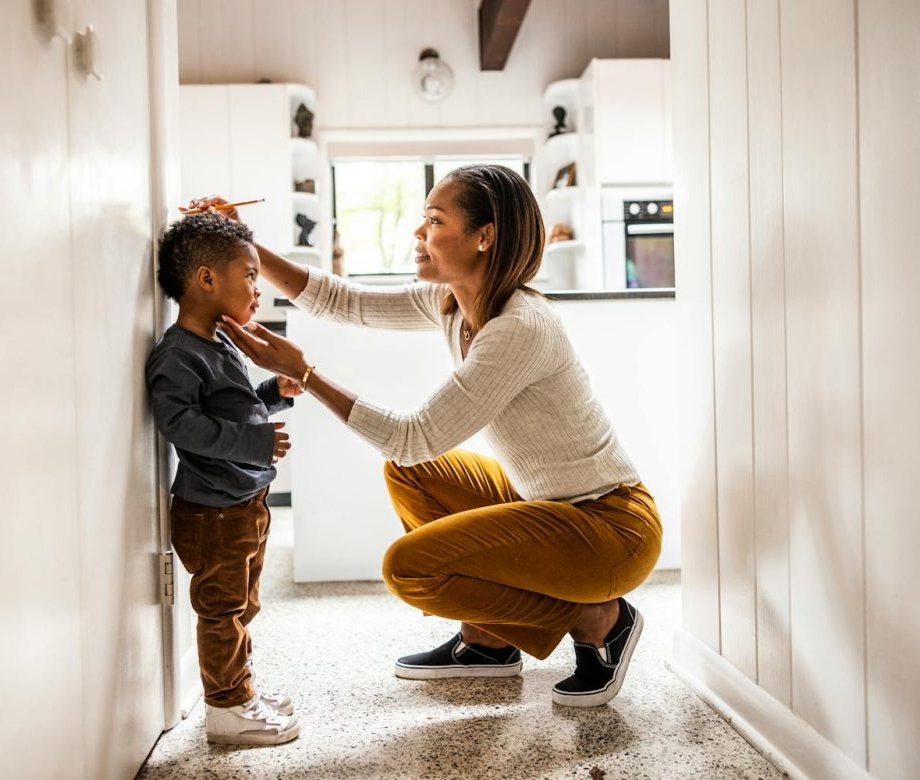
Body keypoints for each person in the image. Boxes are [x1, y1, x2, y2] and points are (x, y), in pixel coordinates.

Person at [195, 163, 662, 709]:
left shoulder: (518, 327)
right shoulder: (453, 303)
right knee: (410, 474)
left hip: (610, 529)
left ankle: (600, 617)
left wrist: (305, 376)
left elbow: (414, 436)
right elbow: (344, 302)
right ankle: (489, 640)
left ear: (484, 237)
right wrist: (245, 245)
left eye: (434, 220)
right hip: (551, 508)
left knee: (410, 568)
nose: (419, 233)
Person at [145, 213, 302, 744]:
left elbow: (231, 414)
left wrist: (272, 396)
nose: (258, 287)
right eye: (251, 274)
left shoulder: (218, 343)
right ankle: (227, 709)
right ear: (207, 279)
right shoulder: (178, 353)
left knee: (243, 605)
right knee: (223, 611)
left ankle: (241, 688)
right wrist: (257, 442)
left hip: (241, 503)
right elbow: (181, 425)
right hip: (212, 510)